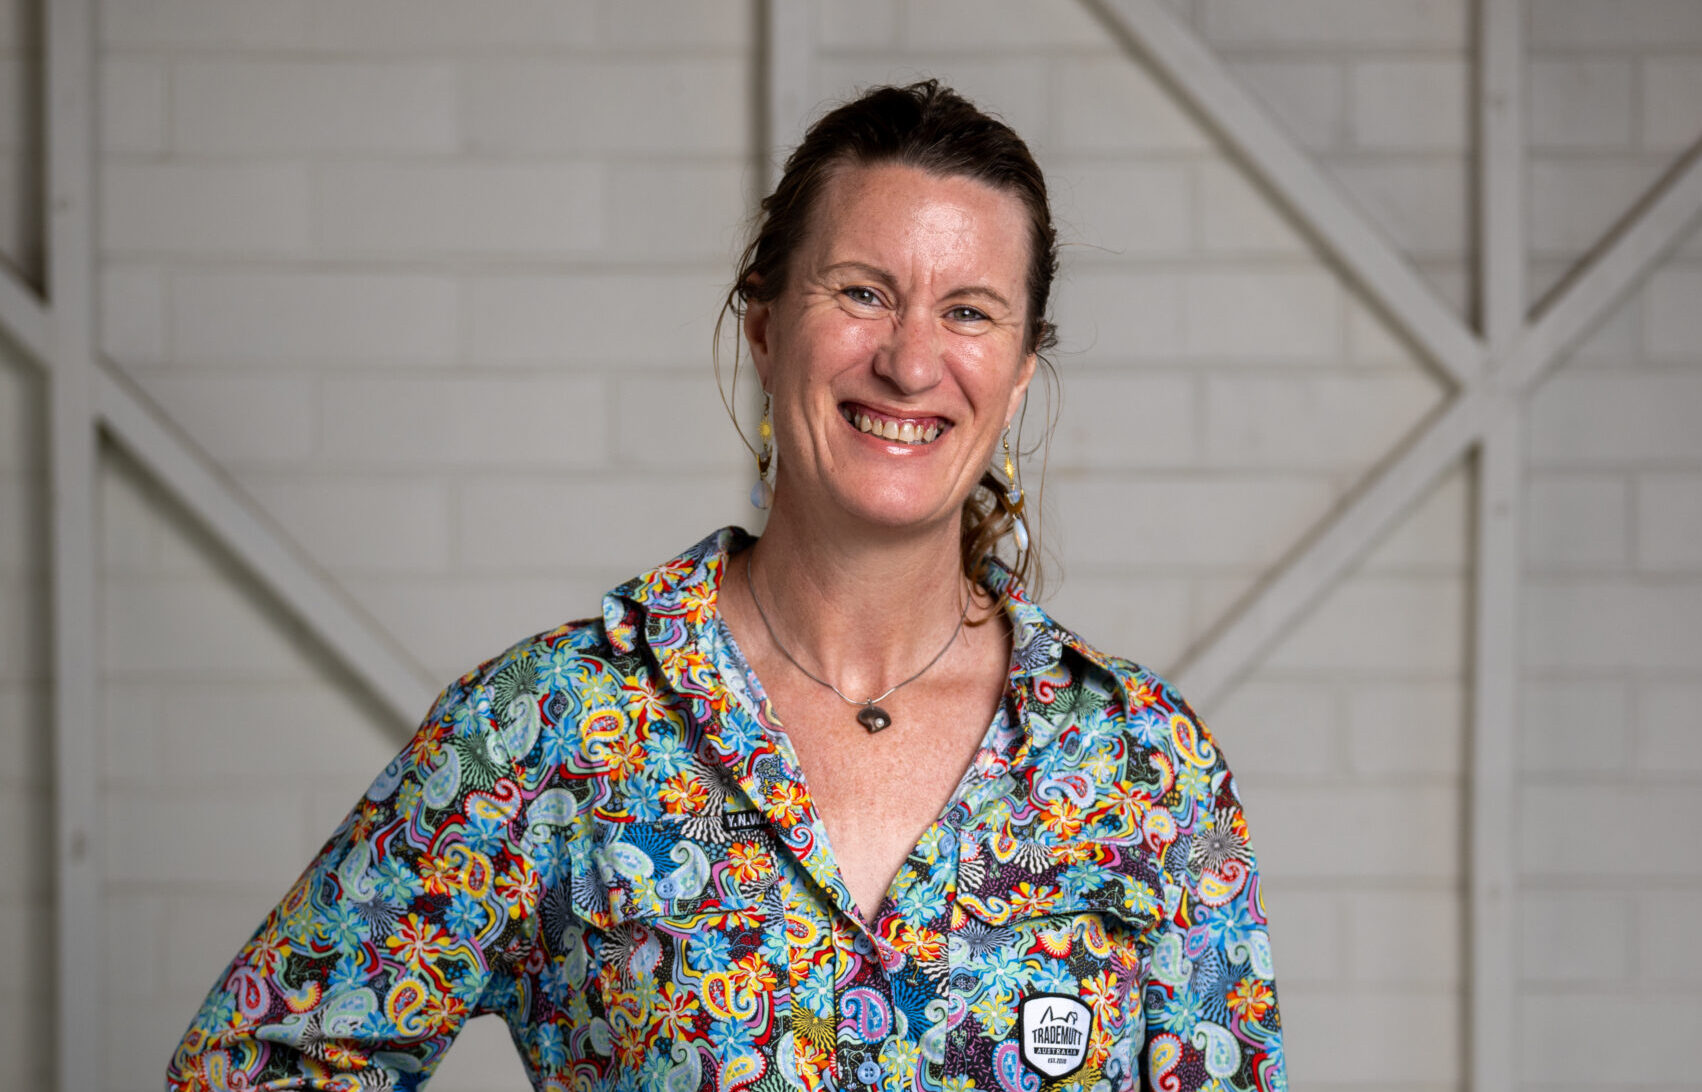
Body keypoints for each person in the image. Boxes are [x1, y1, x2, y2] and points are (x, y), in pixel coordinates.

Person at [167, 80, 1284, 1092]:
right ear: (763, 324)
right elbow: (252, 1066)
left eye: (968, 312)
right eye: (861, 292)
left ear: (1018, 370)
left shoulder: (1143, 765)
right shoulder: (556, 727)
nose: (907, 360)